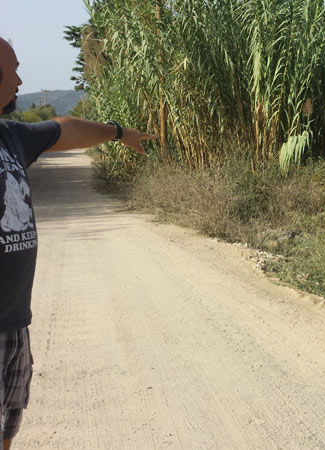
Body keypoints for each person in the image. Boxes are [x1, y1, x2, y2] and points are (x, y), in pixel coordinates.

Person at [0, 37, 155, 449]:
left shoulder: (10, 137)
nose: (19, 79)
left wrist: (120, 132)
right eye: (12, 68)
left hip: (13, 327)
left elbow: (64, 128)